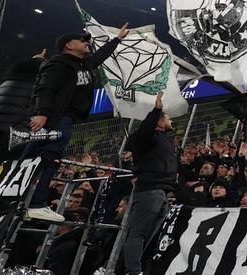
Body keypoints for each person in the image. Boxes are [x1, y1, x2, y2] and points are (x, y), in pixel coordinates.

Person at [25, 24, 129, 222]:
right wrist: (42, 113)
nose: (86, 42)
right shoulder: (60, 63)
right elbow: (45, 88)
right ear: (69, 45)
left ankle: (7, 200)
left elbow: (100, 57)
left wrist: (118, 39)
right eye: (81, 40)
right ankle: (35, 204)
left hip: (66, 119)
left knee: (38, 158)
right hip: (55, 117)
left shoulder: (83, 64)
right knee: (47, 159)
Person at [121, 92, 177, 275]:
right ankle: (133, 271)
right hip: (149, 191)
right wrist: (156, 110)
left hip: (162, 194)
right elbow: (144, 131)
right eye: (168, 118)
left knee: (150, 237)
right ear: (159, 122)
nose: (171, 122)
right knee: (139, 233)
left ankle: (138, 268)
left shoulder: (163, 141)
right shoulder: (147, 137)